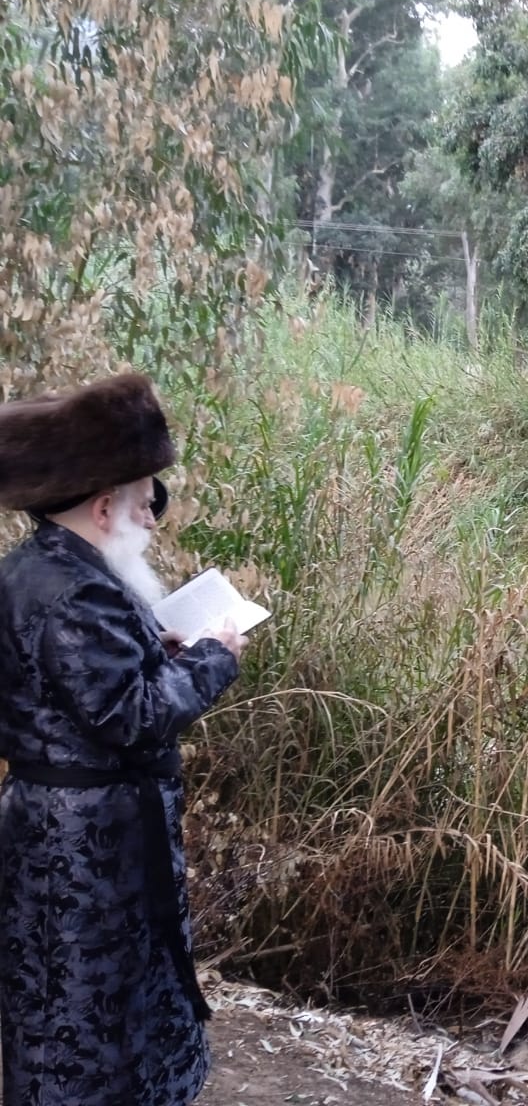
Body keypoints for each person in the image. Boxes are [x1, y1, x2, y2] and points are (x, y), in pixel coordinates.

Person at [0, 372, 245, 1105]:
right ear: (104, 506)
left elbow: (81, 687)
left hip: (74, 837)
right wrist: (213, 657)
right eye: (146, 501)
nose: (151, 516)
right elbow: (132, 717)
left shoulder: (45, 569)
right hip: (83, 854)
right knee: (86, 1024)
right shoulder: (76, 590)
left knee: (77, 1009)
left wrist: (154, 648)